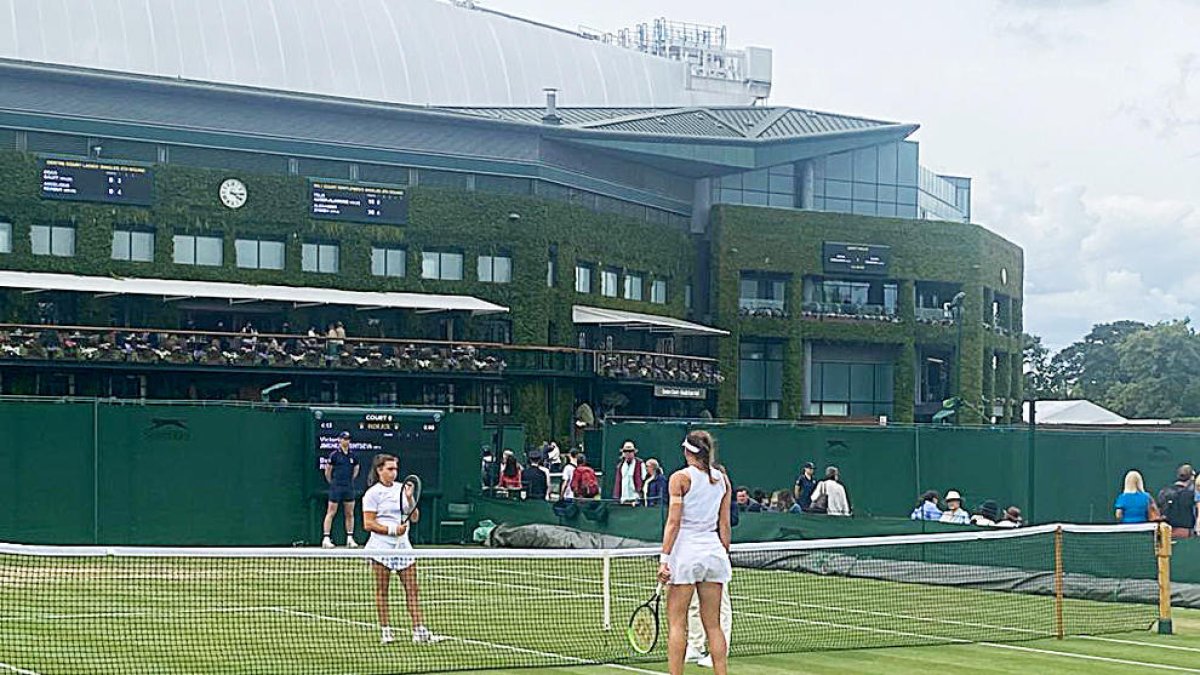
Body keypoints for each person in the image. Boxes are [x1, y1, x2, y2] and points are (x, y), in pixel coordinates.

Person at [658, 430, 732, 675]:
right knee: (714, 624)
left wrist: (664, 560)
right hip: (714, 554)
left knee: (678, 623)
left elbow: (673, 523)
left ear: (688, 451)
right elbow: (724, 525)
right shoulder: (722, 480)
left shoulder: (679, 478)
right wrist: (723, 556)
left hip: (687, 553)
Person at [362, 454, 435, 645]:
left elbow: (415, 517)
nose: (394, 473)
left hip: (404, 547)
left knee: (412, 590)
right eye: (389, 469)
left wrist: (410, 500)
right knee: (382, 590)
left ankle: (419, 630)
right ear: (379, 470)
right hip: (381, 548)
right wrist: (392, 529)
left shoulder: (403, 489)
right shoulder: (372, 494)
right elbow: (368, 523)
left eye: (395, 469)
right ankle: (386, 631)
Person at [321, 431, 360, 549]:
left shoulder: (353, 455)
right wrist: (333, 482)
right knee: (331, 512)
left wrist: (349, 480)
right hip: (336, 487)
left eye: (348, 439)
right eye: (344, 439)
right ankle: (326, 538)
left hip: (348, 487)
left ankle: (349, 538)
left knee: (349, 513)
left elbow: (356, 469)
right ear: (339, 440)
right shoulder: (334, 455)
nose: (346, 441)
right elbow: (328, 471)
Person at [1157, 464, 1196, 538]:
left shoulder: (1164, 492)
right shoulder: (1193, 495)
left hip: (1167, 533)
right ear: (1191, 478)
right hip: (1186, 533)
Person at [613, 440, 647, 505]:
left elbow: (644, 480)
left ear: (634, 452)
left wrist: (640, 494)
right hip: (623, 499)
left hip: (636, 498)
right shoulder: (620, 465)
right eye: (625, 451)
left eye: (630, 451)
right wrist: (617, 497)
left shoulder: (640, 464)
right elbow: (618, 482)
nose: (628, 453)